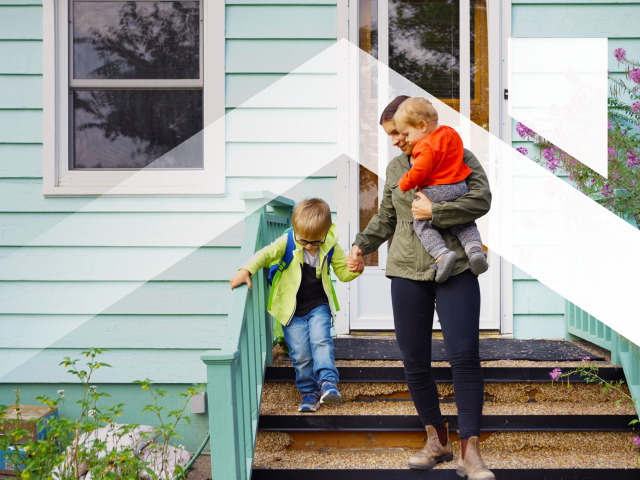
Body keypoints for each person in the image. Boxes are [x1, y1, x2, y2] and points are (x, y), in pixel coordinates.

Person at [346, 96, 495, 479]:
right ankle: (437, 440)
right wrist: (361, 246)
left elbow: (481, 199)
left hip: (456, 268)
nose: (395, 140)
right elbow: (386, 218)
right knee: (415, 361)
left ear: (416, 124)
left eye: (398, 132)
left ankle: (471, 451)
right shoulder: (397, 166)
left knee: (463, 355)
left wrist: (437, 212)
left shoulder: (455, 151)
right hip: (408, 272)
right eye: (389, 135)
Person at [230, 198, 362, 412]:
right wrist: (246, 270)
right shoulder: (287, 241)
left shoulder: (330, 246)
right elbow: (264, 255)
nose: (309, 246)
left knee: (321, 341)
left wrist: (356, 269)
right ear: (295, 230)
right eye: (304, 241)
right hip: (291, 309)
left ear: (326, 233)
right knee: (300, 353)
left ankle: (328, 383)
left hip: (318, 304)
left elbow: (343, 274)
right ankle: (309, 392)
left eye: (315, 242)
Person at [393, 97, 488, 283]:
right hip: (459, 187)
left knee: (421, 222)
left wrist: (405, 183)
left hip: (437, 189)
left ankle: (441, 254)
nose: (406, 139)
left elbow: (420, 171)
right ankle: (475, 250)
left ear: (421, 126)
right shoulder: (450, 133)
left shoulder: (425, 146)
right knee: (465, 224)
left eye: (407, 134)